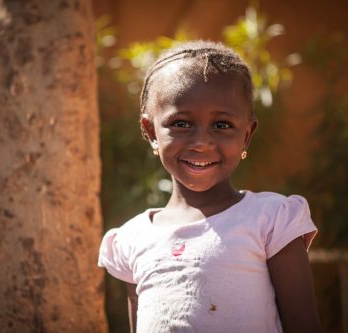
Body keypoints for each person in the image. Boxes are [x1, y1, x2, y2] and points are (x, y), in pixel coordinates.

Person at [98, 40, 322, 333]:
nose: (201, 142)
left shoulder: (271, 220)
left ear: (246, 135)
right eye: (180, 123)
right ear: (151, 131)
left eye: (222, 125)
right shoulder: (132, 238)